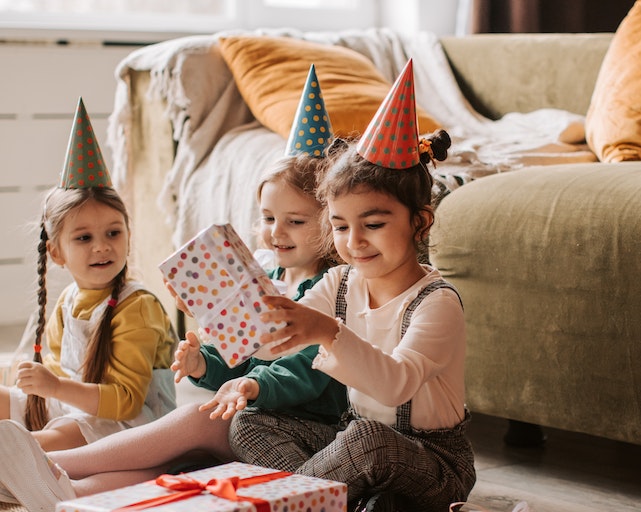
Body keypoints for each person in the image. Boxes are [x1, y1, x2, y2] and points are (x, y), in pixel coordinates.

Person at [0, 66, 348, 512]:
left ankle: (46, 463)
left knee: (192, 424)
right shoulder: (269, 275)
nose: (276, 232)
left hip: (296, 422)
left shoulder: (333, 290)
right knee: (183, 459)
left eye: (295, 221)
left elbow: (305, 372)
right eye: (266, 218)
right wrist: (205, 364)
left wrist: (249, 387)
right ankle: (63, 489)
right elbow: (241, 363)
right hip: (251, 412)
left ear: (331, 223)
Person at [230, 60, 477, 511]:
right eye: (341, 227)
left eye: (374, 224)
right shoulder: (340, 282)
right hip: (353, 440)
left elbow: (394, 385)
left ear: (419, 222)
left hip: (434, 462)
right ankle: (340, 499)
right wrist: (227, 310)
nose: (355, 241)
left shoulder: (436, 303)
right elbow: (273, 343)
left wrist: (328, 332)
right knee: (251, 423)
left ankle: (297, 502)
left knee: (368, 440)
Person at [0, 98, 177, 454]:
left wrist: (54, 389)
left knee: (43, 444)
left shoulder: (137, 307)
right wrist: (39, 382)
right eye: (84, 238)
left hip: (130, 425)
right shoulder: (69, 302)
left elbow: (126, 402)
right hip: (73, 406)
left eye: (113, 233)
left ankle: (17, 462)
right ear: (56, 251)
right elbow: (57, 367)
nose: (101, 247)